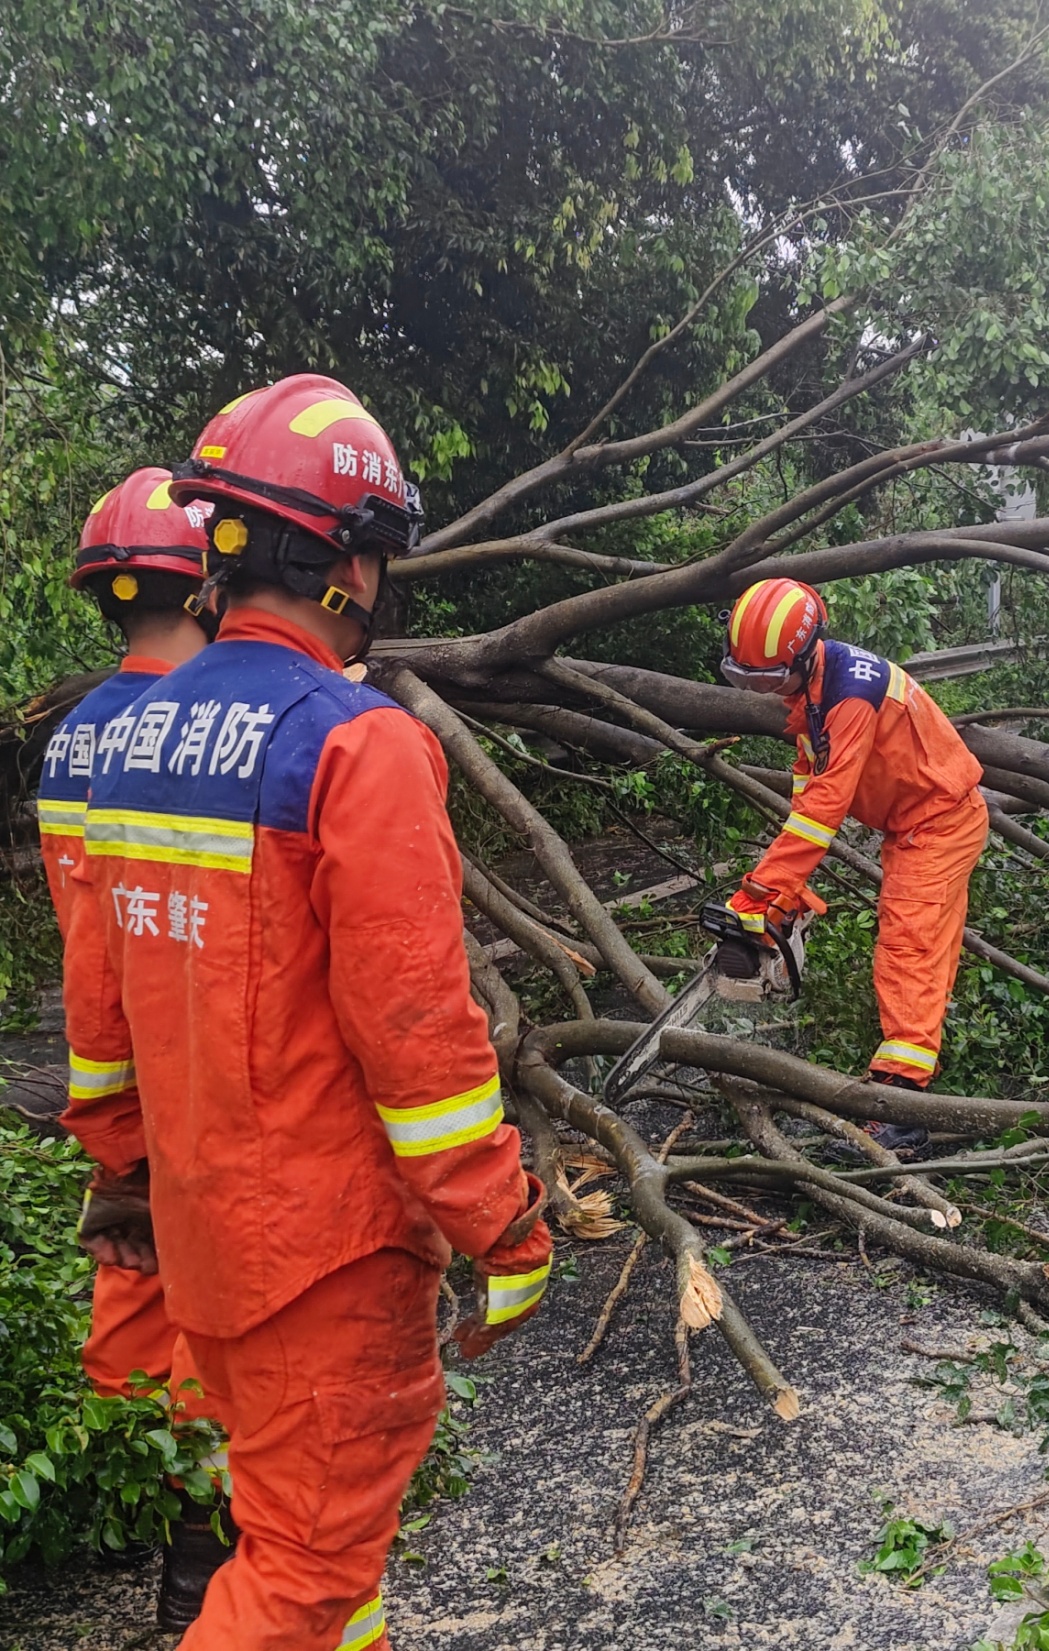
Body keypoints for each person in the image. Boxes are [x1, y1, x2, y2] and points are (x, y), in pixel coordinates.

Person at [67, 373, 552, 1651]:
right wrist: (504, 1224)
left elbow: (99, 1015)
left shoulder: (132, 741)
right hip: (328, 1262)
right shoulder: (358, 743)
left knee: (312, 1551)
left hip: (203, 1240)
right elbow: (420, 1041)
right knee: (302, 1569)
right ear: (346, 561)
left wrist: (126, 1177)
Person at [36, 468, 230, 1629]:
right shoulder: (206, 734)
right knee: (214, 1296)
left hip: (111, 1065)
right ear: (208, 584)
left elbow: (86, 945)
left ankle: (126, 1476)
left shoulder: (72, 739)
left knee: (131, 1272)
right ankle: (199, 1549)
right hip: (208, 1064)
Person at [713, 577, 988, 1137]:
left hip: (939, 822)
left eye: (769, 679)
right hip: (910, 822)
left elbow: (826, 807)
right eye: (747, 679)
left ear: (805, 652)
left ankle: (904, 1108)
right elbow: (808, 785)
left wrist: (760, 893)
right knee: (921, 947)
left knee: (909, 944)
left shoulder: (851, 697)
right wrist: (787, 889)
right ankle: (909, 1062)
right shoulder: (813, 690)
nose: (763, 691)